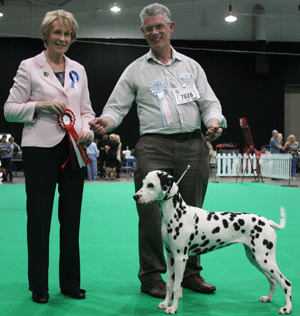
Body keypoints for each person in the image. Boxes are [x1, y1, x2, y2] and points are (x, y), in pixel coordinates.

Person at [90, 3, 226, 299]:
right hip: (152, 146)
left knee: (192, 214)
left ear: (170, 27)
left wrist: (213, 121)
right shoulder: (135, 70)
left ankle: (190, 274)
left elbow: (209, 103)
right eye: (149, 28)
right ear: (143, 32)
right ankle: (152, 276)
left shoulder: (192, 67)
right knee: (150, 214)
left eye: (159, 26)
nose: (154, 32)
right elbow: (116, 107)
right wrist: (106, 121)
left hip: (193, 145)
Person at [4, 10, 95, 303]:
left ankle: (70, 283)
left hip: (73, 150)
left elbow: (86, 111)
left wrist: (86, 131)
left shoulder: (78, 69)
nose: (63, 39)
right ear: (46, 34)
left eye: (68, 34)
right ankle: (39, 286)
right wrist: (40, 105)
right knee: (39, 220)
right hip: (39, 151)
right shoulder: (29, 66)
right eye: (57, 33)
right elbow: (9, 109)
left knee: (71, 220)